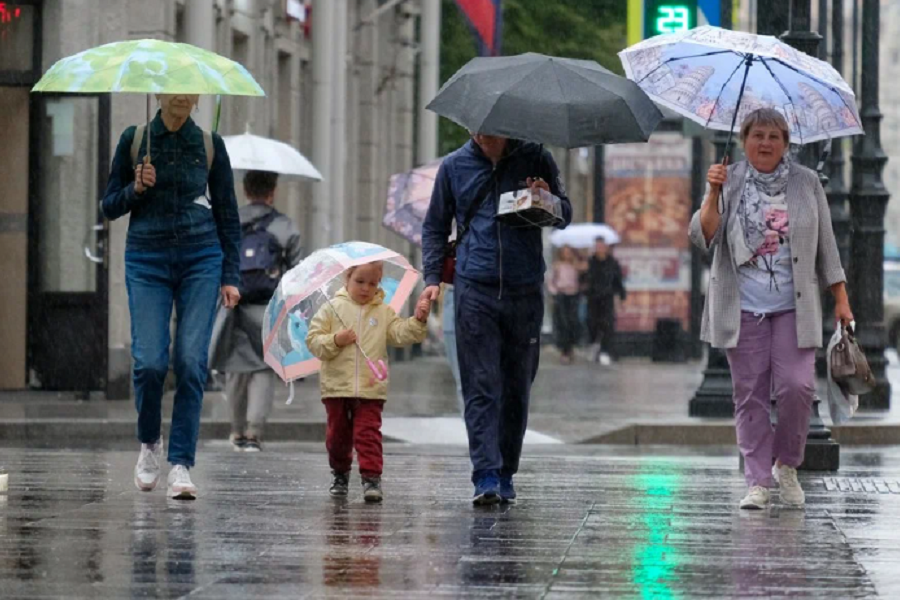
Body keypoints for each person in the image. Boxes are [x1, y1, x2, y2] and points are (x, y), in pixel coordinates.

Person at [689, 108, 852, 510]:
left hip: (793, 307)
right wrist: (712, 192)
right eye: (757, 135)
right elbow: (702, 236)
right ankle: (758, 480)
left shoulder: (806, 182)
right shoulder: (729, 179)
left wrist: (841, 298)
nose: (765, 143)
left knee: (798, 388)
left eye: (774, 136)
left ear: (786, 143)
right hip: (742, 306)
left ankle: (787, 464)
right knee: (750, 396)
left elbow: (826, 245)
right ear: (744, 140)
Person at [102, 94, 241, 500]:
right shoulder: (135, 139)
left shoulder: (211, 144)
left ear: (196, 97)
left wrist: (230, 275)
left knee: (191, 362)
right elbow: (109, 206)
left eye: (189, 89)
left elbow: (227, 214)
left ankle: (181, 462)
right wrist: (135, 188)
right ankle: (149, 443)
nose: (181, 96)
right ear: (159, 94)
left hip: (201, 258)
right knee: (149, 363)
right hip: (147, 258)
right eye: (174, 88)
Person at [420, 132, 572, 505]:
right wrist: (432, 280)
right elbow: (435, 227)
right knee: (481, 384)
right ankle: (485, 474)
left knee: (517, 386)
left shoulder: (537, 157)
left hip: (524, 288)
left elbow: (565, 215)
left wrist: (545, 197)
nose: (482, 130)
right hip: (475, 287)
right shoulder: (455, 166)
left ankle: (506, 470)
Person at [306, 262, 431, 503]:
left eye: (372, 284)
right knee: (337, 436)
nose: (366, 288)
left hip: (371, 387)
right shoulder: (332, 309)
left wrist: (418, 320)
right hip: (336, 387)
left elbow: (399, 333)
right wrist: (336, 340)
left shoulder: (383, 312)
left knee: (368, 433)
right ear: (347, 279)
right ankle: (340, 473)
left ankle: (372, 478)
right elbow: (314, 341)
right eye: (360, 282)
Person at [209, 170, 302, 452]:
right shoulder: (285, 226)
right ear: (272, 191)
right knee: (263, 367)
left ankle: (236, 431)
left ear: (246, 190)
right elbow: (297, 271)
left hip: (232, 304)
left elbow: (214, 260)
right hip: (268, 307)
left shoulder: (228, 221)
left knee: (236, 367)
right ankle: (254, 432)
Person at [583, 238, 626, 364]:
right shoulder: (590, 262)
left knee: (607, 325)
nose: (600, 248)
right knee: (592, 324)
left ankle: (605, 351)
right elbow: (584, 280)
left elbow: (618, 281)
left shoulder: (613, 263)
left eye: (602, 246)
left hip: (607, 298)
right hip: (592, 299)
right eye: (598, 246)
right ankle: (593, 346)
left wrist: (622, 296)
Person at [547, 246, 584, 364]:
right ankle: (565, 351)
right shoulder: (557, 265)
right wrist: (554, 292)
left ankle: (571, 347)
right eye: (565, 252)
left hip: (573, 295)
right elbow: (550, 281)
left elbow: (582, 279)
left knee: (573, 321)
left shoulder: (576, 265)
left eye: (569, 252)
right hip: (561, 295)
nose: (567, 255)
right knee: (563, 322)